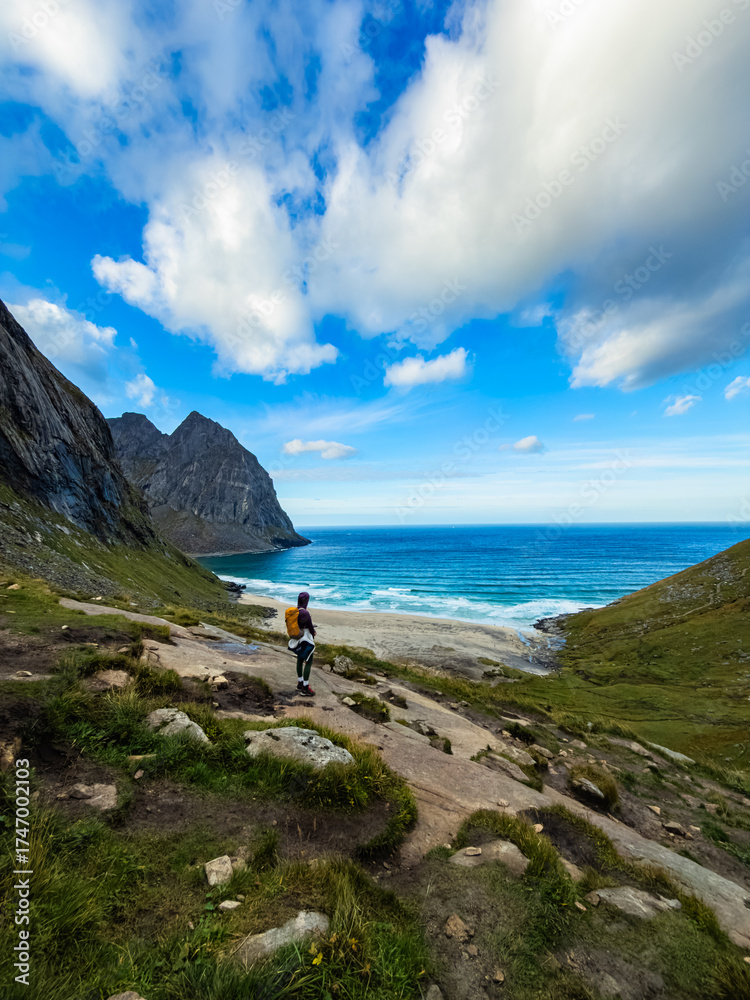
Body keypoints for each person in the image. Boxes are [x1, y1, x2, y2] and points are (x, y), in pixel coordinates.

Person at [289, 591, 316, 696]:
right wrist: (313, 633)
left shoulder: (296, 611)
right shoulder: (305, 613)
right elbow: (310, 627)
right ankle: (305, 687)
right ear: (306, 601)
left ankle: (300, 683)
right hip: (306, 640)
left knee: (299, 660)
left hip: (298, 639)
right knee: (308, 662)